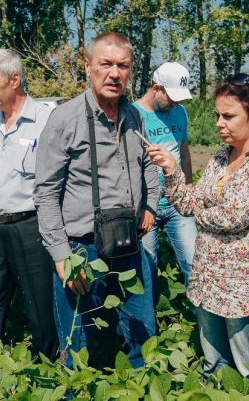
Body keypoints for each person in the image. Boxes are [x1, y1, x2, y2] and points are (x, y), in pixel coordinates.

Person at [146, 74, 249, 384]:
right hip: (209, 281)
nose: (218, 122)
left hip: (248, 287)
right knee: (215, 367)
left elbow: (233, 217)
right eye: (217, 114)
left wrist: (204, 213)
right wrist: (172, 171)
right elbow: (188, 205)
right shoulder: (219, 158)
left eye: (228, 115)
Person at [33, 32, 159, 368]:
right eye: (106, 64)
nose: (114, 74)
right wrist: (61, 256)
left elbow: (148, 165)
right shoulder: (65, 119)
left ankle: (142, 389)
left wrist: (150, 206)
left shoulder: (134, 117)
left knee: (143, 335)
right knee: (78, 343)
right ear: (88, 67)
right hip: (81, 250)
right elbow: (45, 192)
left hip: (129, 244)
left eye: (123, 66)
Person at [0, 49, 58, 360]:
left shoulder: (48, 120)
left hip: (30, 227)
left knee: (39, 304)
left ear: (15, 80)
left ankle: (45, 366)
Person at [133, 62, 197, 286]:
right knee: (146, 270)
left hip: (177, 204)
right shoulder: (133, 115)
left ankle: (204, 318)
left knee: (195, 264)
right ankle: (149, 319)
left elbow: (185, 153)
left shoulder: (179, 112)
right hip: (146, 207)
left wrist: (188, 187)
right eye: (171, 97)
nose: (175, 103)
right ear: (156, 87)